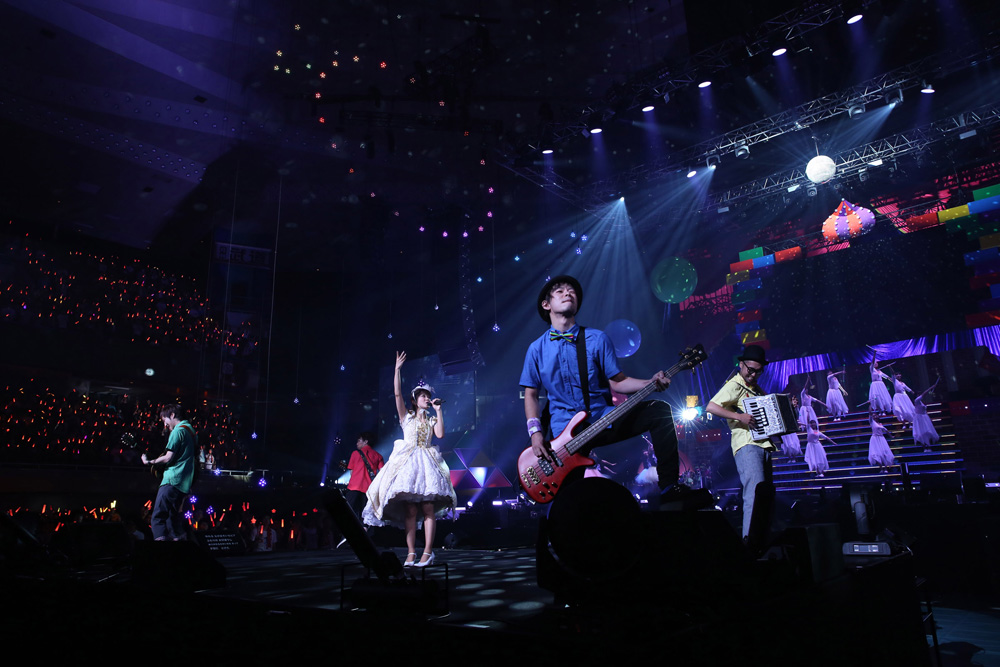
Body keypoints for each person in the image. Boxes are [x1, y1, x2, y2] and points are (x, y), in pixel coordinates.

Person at [519, 275, 686, 498]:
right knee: (569, 500)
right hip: (565, 435)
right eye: (560, 291)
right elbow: (531, 394)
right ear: (546, 304)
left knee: (659, 411)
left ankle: (669, 488)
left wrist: (650, 382)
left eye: (572, 291)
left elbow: (618, 382)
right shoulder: (536, 349)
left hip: (601, 420)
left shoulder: (597, 339)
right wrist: (535, 433)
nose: (568, 293)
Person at [363, 352, 457, 568]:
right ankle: (411, 552)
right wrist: (397, 370)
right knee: (411, 510)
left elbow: (441, 434)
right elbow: (397, 395)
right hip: (408, 463)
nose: (426, 398)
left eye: (427, 395)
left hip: (427, 463)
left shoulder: (431, 420)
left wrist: (439, 411)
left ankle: (428, 552)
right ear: (415, 400)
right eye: (422, 396)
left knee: (428, 507)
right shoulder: (406, 417)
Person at [706, 344, 776, 539]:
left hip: (763, 445)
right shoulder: (735, 384)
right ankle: (750, 542)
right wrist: (739, 417)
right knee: (754, 495)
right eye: (750, 370)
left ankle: (761, 541)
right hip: (747, 445)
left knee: (765, 497)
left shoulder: (757, 389)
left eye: (758, 372)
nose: (753, 375)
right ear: (741, 364)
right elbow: (711, 406)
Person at [141, 404, 197, 541]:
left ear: (172, 415)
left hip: (172, 480)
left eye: (164, 419)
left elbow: (168, 457)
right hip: (184, 483)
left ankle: (162, 549)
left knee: (157, 518)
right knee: (172, 520)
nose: (165, 424)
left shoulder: (178, 431)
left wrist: (149, 462)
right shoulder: (191, 431)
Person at [338, 431, 385, 547]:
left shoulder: (355, 453)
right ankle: (365, 536)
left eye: (359, 440)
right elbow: (382, 473)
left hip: (354, 487)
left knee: (349, 511)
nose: (357, 443)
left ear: (366, 441)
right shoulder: (378, 456)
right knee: (365, 516)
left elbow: (351, 472)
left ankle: (346, 536)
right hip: (369, 490)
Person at [912, 377, 942, 451]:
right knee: (922, 432)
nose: (919, 395)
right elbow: (924, 394)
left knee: (928, 431)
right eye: (918, 394)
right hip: (919, 418)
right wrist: (931, 387)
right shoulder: (916, 400)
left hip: (924, 417)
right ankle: (925, 446)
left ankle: (928, 445)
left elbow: (924, 410)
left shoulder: (920, 402)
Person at [780, 395, 803, 461]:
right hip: (785, 430)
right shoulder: (784, 410)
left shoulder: (794, 410)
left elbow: (796, 417)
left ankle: (794, 457)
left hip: (791, 430)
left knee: (793, 443)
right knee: (787, 444)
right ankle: (790, 457)